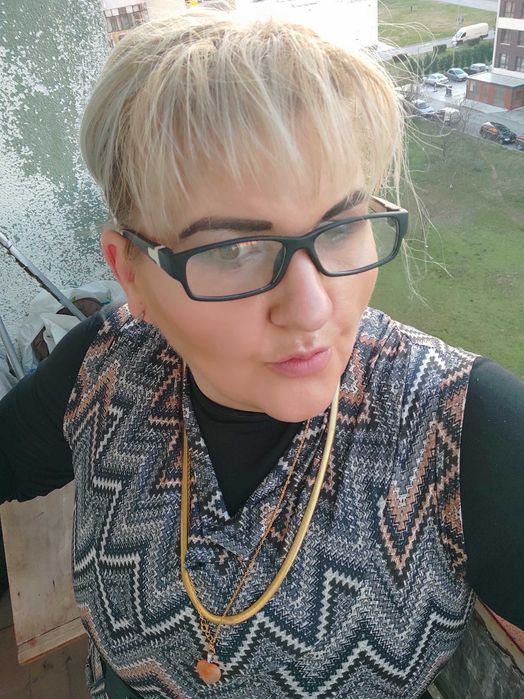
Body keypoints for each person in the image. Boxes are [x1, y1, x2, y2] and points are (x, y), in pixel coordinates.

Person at [1, 8, 523, 699]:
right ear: (130, 274)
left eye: (341, 225)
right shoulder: (99, 370)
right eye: (234, 248)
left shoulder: (467, 429)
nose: (311, 309)